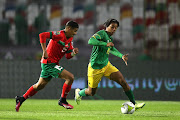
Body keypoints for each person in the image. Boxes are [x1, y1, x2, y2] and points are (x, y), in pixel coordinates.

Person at [75, 19, 145, 110]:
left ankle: (134, 104)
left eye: (116, 28)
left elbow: (112, 49)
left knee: (122, 81)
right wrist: (105, 43)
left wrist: (121, 56)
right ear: (107, 26)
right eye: (112, 27)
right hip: (95, 68)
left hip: (106, 65)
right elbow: (90, 41)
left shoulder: (110, 38)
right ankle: (79, 93)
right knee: (91, 92)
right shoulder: (101, 33)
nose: (114, 29)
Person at [15, 21, 79, 112]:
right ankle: (62, 100)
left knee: (39, 86)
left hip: (52, 64)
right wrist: (44, 50)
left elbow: (68, 56)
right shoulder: (59, 34)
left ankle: (21, 99)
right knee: (70, 77)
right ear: (68, 28)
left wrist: (73, 53)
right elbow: (42, 35)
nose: (75, 33)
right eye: (74, 31)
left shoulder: (70, 39)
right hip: (49, 63)